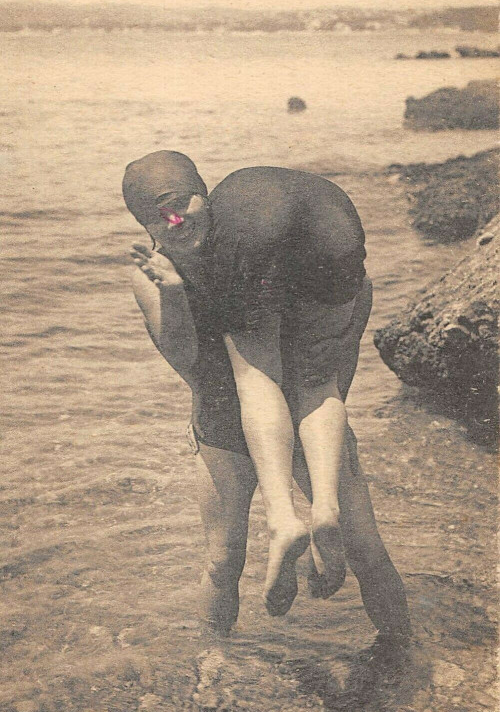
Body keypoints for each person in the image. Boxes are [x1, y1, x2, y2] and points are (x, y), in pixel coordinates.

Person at [123, 150, 411, 643]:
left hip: (285, 415)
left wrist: (326, 409)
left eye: (180, 205)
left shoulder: (261, 252)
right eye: (158, 216)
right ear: (144, 223)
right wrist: (173, 292)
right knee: (222, 558)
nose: (175, 223)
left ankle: (402, 646)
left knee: (365, 549)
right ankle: (216, 659)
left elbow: (341, 326)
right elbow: (186, 360)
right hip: (227, 421)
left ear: (205, 196)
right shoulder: (153, 273)